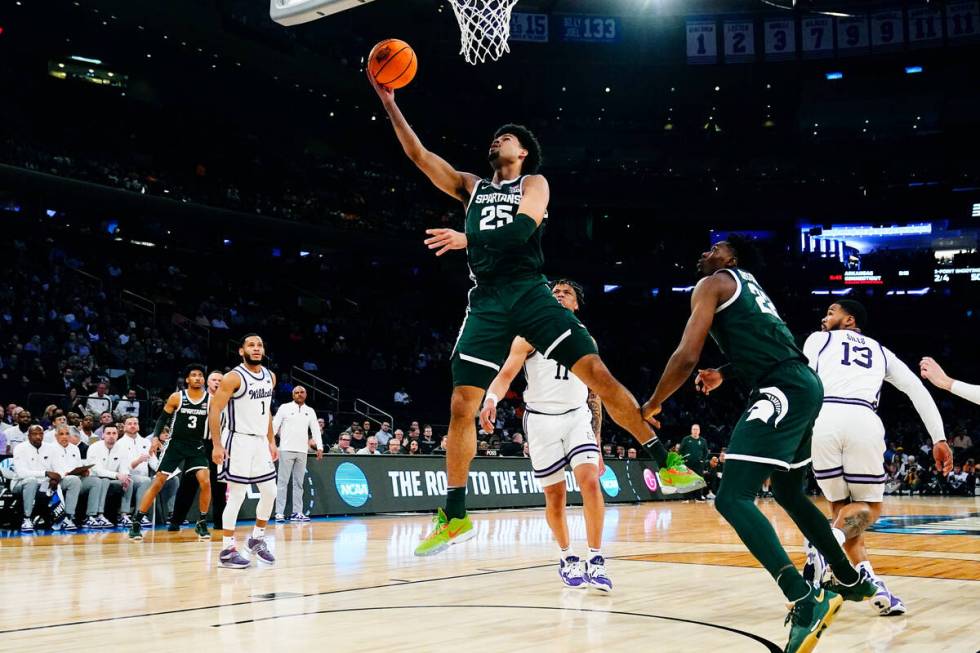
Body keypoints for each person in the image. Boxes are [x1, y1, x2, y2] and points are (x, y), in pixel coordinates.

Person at [369, 72, 690, 558]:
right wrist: (389, 102)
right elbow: (418, 155)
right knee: (460, 404)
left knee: (597, 372)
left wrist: (467, 239)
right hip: (488, 301)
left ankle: (663, 459)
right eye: (498, 136)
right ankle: (454, 513)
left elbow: (521, 232)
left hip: (530, 291)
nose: (499, 139)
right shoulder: (470, 186)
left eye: (510, 137)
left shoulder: (534, 183)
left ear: (522, 153)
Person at [641, 237, 877, 653]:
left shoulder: (714, 283)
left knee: (732, 498)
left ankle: (805, 598)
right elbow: (773, 346)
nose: (704, 252)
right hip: (804, 384)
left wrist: (655, 401)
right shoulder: (749, 286)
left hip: (781, 388)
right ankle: (849, 577)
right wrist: (725, 374)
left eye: (713, 247)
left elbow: (685, 355)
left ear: (729, 258)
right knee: (787, 491)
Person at [802, 301, 951, 616]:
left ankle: (869, 579)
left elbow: (798, 378)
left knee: (842, 511)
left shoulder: (818, 339)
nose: (824, 317)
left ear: (849, 319)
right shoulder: (881, 352)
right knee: (868, 510)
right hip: (861, 418)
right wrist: (938, 437)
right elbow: (917, 391)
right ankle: (825, 545)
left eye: (831, 312)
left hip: (822, 419)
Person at [479, 279, 612, 591]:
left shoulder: (585, 338)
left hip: (577, 416)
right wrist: (491, 399)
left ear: (576, 304)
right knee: (555, 495)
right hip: (540, 420)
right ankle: (567, 558)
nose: (559, 295)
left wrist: (598, 440)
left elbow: (595, 394)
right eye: (555, 292)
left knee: (590, 482)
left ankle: (595, 559)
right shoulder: (529, 336)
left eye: (566, 293)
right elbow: (505, 375)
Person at [210, 334, 278, 568]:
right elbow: (215, 409)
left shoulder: (270, 376)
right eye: (251, 345)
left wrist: (271, 441)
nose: (256, 348)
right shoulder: (233, 377)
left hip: (260, 442)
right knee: (237, 495)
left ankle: (256, 540)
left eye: (260, 345)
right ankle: (227, 549)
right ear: (241, 351)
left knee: (270, 492)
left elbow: (266, 410)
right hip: (236, 440)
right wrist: (217, 445)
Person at [128, 364, 213, 542]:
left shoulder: (210, 400)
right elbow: (162, 419)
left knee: (205, 482)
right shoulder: (177, 397)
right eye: (194, 375)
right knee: (158, 482)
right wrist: (156, 437)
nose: (197, 378)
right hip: (175, 445)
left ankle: (202, 522)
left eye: (200, 375)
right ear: (187, 380)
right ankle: (136, 522)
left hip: (196, 445)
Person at [167, 370, 226, 534]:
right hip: (199, 445)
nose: (217, 383)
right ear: (208, 382)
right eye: (214, 379)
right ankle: (176, 521)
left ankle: (220, 523)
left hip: (219, 446)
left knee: (219, 485)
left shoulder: (228, 402)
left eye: (220, 380)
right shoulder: (199, 398)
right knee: (188, 484)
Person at [273, 385, 323, 522]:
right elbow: (274, 426)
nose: (299, 394)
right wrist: (271, 444)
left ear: (306, 394)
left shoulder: (310, 411)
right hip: (286, 449)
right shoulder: (284, 407)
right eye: (296, 392)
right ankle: (279, 512)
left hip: (303, 451)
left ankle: (297, 512)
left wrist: (320, 447)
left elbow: (315, 430)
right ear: (292, 395)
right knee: (282, 482)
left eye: (301, 392)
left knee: (299, 483)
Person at [49, 424, 101, 530]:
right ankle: (67, 517)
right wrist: (66, 473)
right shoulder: (50, 448)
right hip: (58, 481)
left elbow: (78, 466)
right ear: (56, 436)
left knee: (96, 481)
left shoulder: (75, 449)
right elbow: (50, 469)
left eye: (67, 434)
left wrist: (83, 471)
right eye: (61, 434)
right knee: (74, 480)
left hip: (75, 479)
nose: (64, 436)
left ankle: (90, 516)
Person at [11, 425, 59, 531]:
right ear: (28, 436)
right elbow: (21, 473)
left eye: (40, 434)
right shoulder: (20, 448)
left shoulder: (50, 448)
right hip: (20, 484)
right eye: (35, 434)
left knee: (60, 484)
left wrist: (55, 478)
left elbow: (57, 469)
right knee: (31, 481)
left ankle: (63, 518)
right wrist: (45, 473)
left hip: (43, 484)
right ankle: (26, 518)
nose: (38, 437)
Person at [115, 416, 153, 528]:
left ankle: (172, 515)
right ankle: (128, 514)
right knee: (141, 480)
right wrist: (138, 461)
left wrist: (164, 472)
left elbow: (154, 462)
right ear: (124, 427)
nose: (132, 425)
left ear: (139, 426)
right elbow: (123, 466)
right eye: (130, 423)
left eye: (135, 423)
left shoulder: (146, 442)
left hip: (144, 476)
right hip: (129, 474)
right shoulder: (120, 443)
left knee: (170, 479)